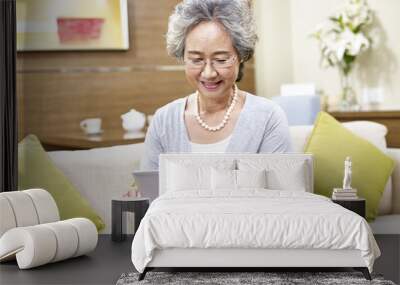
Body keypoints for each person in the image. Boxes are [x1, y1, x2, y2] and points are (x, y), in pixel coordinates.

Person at [141, 0, 292, 170]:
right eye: (196, 60)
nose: (208, 73)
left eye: (221, 60)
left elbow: (282, 192)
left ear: (241, 55)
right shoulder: (164, 121)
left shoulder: (268, 118)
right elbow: (151, 192)